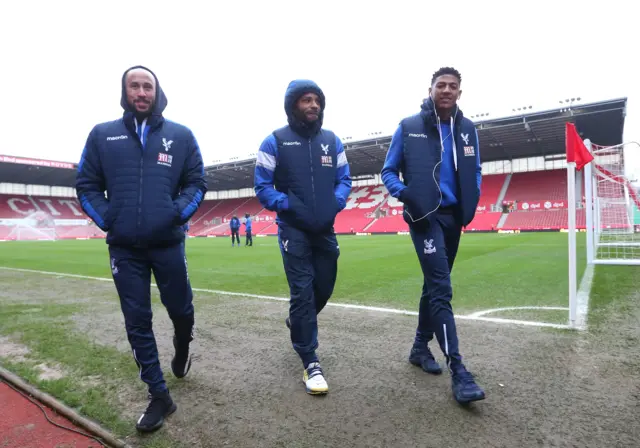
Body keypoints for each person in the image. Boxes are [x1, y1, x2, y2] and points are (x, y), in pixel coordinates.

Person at [75, 65, 208, 431]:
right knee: (137, 322)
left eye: (147, 86)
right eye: (134, 86)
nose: (141, 92)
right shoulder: (103, 136)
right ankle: (159, 395)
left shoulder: (180, 136)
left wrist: (175, 213)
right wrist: (108, 219)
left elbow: (197, 181)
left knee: (181, 311)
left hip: (167, 243)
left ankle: (182, 346)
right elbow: (85, 185)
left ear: (157, 91)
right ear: (125, 92)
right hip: (124, 248)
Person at [380, 67, 485, 405]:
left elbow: (476, 169)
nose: (447, 90)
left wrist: (475, 195)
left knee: (432, 286)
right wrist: (405, 193)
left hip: (454, 217)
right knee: (442, 289)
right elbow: (387, 170)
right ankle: (459, 370)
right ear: (430, 89)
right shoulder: (409, 127)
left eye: (453, 86)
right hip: (424, 218)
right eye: (441, 85)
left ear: (459, 93)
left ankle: (418, 348)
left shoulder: (467, 130)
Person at [254, 79, 352, 395]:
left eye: (317, 101)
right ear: (293, 105)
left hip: (324, 227)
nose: (313, 106)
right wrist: (289, 205)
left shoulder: (332, 141)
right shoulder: (275, 142)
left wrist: (333, 202)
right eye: (306, 100)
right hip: (292, 228)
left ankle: (298, 321)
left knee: (324, 285)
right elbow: (262, 186)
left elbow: (344, 180)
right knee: (302, 291)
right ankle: (310, 360)